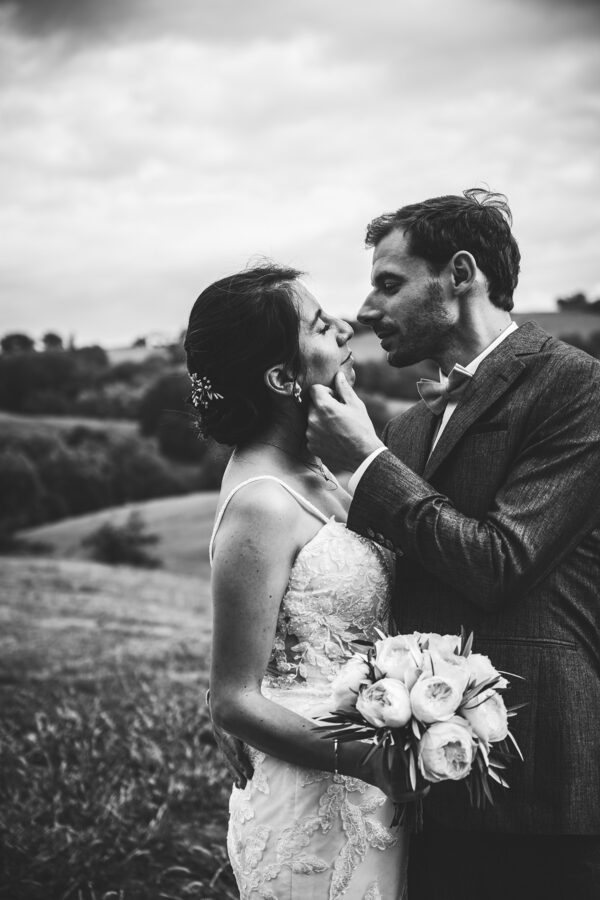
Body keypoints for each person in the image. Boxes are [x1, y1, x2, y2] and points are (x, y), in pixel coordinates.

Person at [306, 188, 600, 899]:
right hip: (423, 788)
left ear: (460, 273)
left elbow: (501, 562)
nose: (368, 310)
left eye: (388, 283)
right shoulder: (410, 426)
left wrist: (367, 464)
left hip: (540, 791)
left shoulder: (576, 387)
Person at [185, 265, 410, 899]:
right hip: (313, 808)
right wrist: (379, 762)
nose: (345, 325)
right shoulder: (262, 500)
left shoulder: (320, 466)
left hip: (373, 792)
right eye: (318, 323)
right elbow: (232, 698)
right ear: (283, 377)